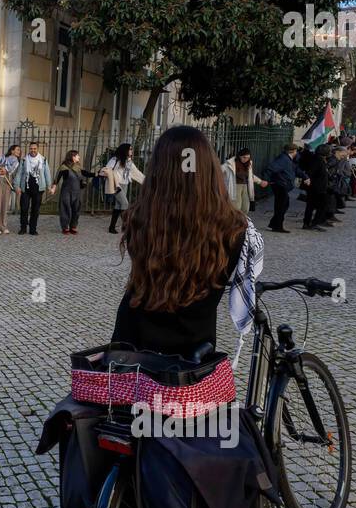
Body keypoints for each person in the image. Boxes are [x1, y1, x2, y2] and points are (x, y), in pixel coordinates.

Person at [112, 125, 263, 359]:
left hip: (134, 344)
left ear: (158, 170)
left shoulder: (140, 218)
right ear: (210, 168)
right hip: (194, 348)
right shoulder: (234, 229)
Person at [54, 150, 101, 235]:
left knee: (76, 209)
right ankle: (65, 227)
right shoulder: (64, 167)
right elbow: (57, 177)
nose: (79, 157)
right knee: (65, 209)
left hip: (77, 192)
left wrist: (96, 174)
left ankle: (73, 226)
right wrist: (53, 187)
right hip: (66, 191)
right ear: (73, 157)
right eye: (77, 156)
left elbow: (85, 173)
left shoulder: (78, 167)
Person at [263, 143, 307, 233]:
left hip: (282, 184)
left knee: (283, 205)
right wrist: (265, 180)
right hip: (279, 184)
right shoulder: (283, 159)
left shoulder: (288, 159)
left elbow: (296, 169)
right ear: (293, 151)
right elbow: (270, 168)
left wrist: (305, 177)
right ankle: (277, 226)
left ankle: (275, 224)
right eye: (296, 151)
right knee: (281, 205)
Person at [104, 142, 145, 234]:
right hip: (116, 185)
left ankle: (111, 227)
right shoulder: (115, 160)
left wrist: (146, 181)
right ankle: (127, 227)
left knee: (119, 205)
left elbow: (136, 172)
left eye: (131, 149)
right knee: (125, 204)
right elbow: (107, 170)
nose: (131, 151)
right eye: (130, 149)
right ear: (125, 150)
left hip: (125, 184)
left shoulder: (128, 161)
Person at [12, 141, 52, 235]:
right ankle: (23, 228)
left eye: (34, 149)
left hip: (38, 188)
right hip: (25, 188)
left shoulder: (43, 159)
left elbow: (47, 173)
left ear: (37, 149)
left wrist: (49, 186)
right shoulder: (24, 160)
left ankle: (33, 229)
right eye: (31, 149)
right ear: (29, 149)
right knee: (24, 208)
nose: (33, 150)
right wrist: (16, 186)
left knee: (35, 209)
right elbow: (19, 173)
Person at [221, 147, 268, 215]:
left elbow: (250, 176)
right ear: (240, 156)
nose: (246, 159)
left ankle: (242, 222)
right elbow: (219, 170)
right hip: (235, 187)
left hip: (245, 186)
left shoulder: (248, 163)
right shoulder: (230, 164)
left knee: (245, 207)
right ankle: (236, 222)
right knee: (236, 207)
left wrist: (260, 181)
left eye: (248, 158)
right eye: (244, 157)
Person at [298, 147, 330, 232]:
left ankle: (307, 223)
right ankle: (314, 223)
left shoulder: (318, 159)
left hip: (317, 187)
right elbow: (311, 172)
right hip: (316, 188)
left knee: (311, 206)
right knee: (321, 205)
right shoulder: (318, 160)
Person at [0, 145, 21, 234]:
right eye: (17, 150)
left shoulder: (17, 162)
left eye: (19, 150)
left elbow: (11, 171)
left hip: (8, 181)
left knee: (5, 204)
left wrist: (5, 169)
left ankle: (3, 226)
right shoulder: (3, 157)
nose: (19, 151)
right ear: (12, 151)